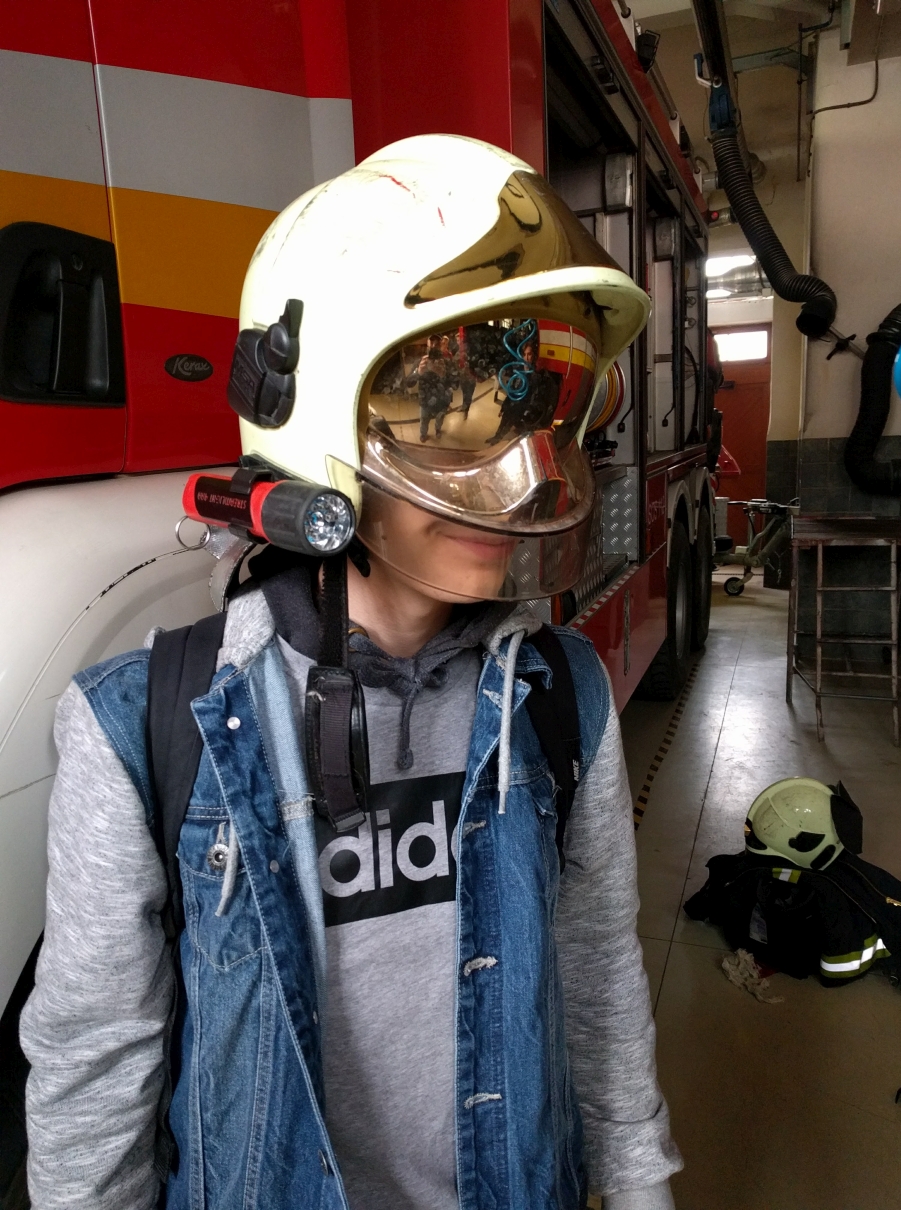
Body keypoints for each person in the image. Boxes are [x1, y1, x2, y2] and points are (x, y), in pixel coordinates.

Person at [21, 134, 680, 1210]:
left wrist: (640, 1188)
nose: (516, 475)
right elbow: (94, 1069)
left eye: (531, 408)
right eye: (446, 410)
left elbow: (598, 979)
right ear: (314, 408)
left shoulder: (560, 699)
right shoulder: (140, 728)